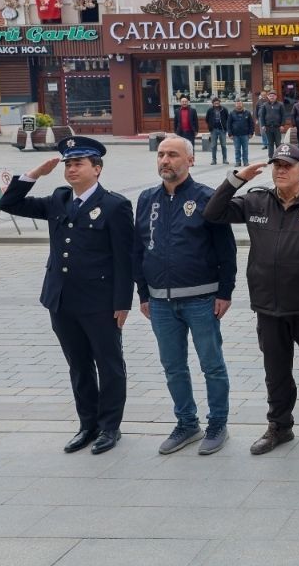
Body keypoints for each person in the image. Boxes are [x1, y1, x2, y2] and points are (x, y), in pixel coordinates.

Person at [0, 137, 133, 454]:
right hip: (61, 300)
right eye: (68, 164)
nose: (71, 169)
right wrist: (35, 173)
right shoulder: (59, 199)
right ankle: (88, 425)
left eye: (79, 163)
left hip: (100, 303)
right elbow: (8, 204)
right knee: (79, 365)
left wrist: (122, 302)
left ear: (96, 169)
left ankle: (110, 427)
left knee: (109, 365)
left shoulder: (115, 205)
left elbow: (125, 259)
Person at [204, 143, 299, 456]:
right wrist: (236, 179)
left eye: (288, 165)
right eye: (277, 165)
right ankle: (279, 426)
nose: (281, 170)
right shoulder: (256, 201)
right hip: (269, 307)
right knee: (275, 372)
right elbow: (213, 213)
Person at [133, 136, 237, 455]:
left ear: (190, 161)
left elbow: (226, 251)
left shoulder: (207, 198)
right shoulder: (146, 199)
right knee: (173, 366)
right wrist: (143, 294)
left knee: (212, 364)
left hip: (202, 299)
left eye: (173, 155)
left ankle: (217, 423)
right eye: (161, 154)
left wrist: (225, 292)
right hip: (160, 303)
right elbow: (138, 249)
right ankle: (187, 423)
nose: (165, 160)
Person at [228, 99, 254, 167]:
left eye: (240, 103)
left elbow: (251, 123)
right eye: (237, 103)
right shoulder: (232, 113)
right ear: (235, 105)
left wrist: (251, 133)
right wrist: (230, 134)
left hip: (245, 134)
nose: (238, 105)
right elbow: (228, 124)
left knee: (245, 149)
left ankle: (246, 162)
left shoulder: (247, 113)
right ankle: (238, 162)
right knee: (237, 149)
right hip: (235, 135)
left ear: (242, 104)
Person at [205, 97, 229, 165]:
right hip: (214, 130)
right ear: (213, 103)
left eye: (218, 103)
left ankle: (225, 159)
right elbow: (207, 119)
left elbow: (228, 118)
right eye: (215, 103)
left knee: (223, 145)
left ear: (219, 103)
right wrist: (210, 126)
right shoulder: (210, 110)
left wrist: (226, 127)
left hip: (222, 130)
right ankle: (214, 160)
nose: (216, 104)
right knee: (213, 146)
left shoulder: (224, 109)